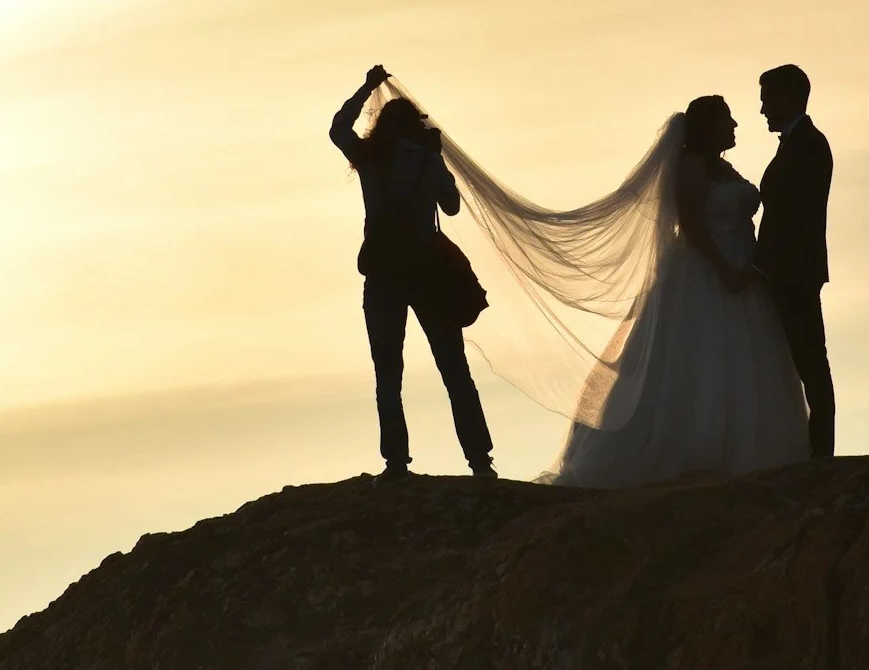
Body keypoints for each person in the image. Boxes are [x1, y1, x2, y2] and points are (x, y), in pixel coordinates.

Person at [539, 96, 811, 488]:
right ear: (709, 128)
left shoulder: (722, 167)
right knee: (703, 355)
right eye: (727, 119)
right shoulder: (692, 167)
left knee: (744, 358)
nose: (735, 125)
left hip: (744, 270)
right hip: (707, 272)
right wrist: (724, 269)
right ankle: (693, 449)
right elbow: (693, 226)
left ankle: (741, 448)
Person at [329, 66, 496, 481]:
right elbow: (451, 207)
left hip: (383, 273)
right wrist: (435, 162)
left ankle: (396, 463)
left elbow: (337, 129)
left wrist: (366, 87)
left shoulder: (369, 158)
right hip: (427, 272)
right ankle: (480, 462)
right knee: (454, 369)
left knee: (387, 374)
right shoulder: (427, 160)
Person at [754, 63, 837, 461]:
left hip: (793, 273)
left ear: (787, 98)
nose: (762, 110)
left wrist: (764, 264)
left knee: (810, 363)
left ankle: (821, 455)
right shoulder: (795, 143)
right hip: (785, 271)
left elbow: (796, 217)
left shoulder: (809, 145)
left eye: (766, 100)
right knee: (800, 362)